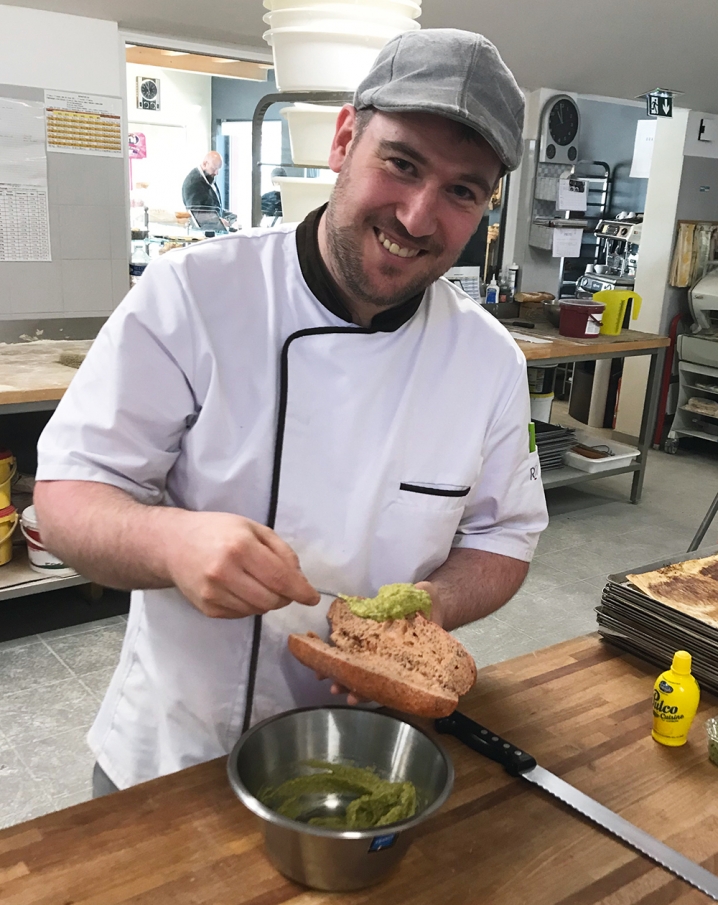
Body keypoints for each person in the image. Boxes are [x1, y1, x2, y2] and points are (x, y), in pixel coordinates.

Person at [34, 29, 548, 795]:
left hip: (372, 753)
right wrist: (170, 540)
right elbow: (66, 498)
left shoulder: (489, 361)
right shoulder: (194, 295)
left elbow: (504, 536)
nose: (416, 215)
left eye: (461, 191)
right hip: (178, 757)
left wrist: (423, 613)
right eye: (401, 163)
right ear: (345, 139)